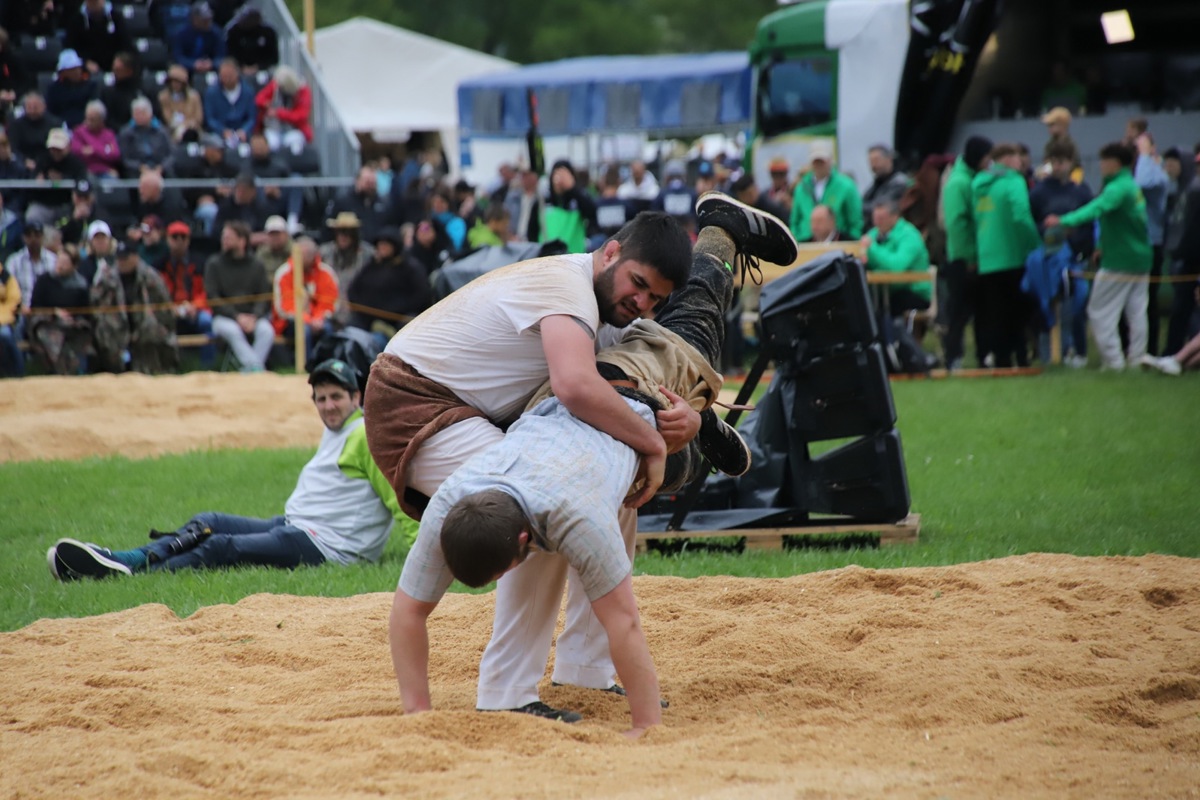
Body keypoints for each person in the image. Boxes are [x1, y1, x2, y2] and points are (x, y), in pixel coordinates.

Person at [369, 198, 794, 723]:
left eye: (653, 299)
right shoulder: (567, 285)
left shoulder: (608, 309)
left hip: (479, 406)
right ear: (610, 252)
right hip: (414, 404)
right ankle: (506, 692)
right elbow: (573, 387)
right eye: (636, 283)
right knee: (537, 496)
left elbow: (626, 384)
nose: (640, 301)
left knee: (609, 481)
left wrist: (683, 417)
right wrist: (656, 442)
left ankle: (587, 669)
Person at [48, 359, 413, 580]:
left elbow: (398, 497)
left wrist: (423, 551)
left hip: (326, 546)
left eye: (337, 396)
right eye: (321, 398)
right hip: (293, 525)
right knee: (211, 520)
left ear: (356, 397)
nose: (328, 405)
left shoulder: (364, 436)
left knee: (222, 546)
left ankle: (127, 577)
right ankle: (126, 561)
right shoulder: (337, 431)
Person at [1046, 142, 1152, 371]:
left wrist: (1063, 220)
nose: (1101, 166)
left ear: (1114, 163)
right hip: (1140, 257)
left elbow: (1097, 208)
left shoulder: (1117, 188)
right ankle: (1137, 360)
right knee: (1136, 311)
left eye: (1104, 161)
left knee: (1098, 310)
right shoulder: (1130, 186)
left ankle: (1113, 362)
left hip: (1120, 261)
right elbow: (1117, 220)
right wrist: (1102, 243)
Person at [972, 142, 1040, 368]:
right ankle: (1020, 358)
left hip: (987, 257)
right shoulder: (1014, 182)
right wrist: (1034, 244)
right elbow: (1020, 216)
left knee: (995, 313)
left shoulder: (979, 184)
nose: (1021, 162)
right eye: (1018, 158)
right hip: (1012, 255)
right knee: (1017, 313)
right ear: (1009, 159)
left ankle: (1000, 359)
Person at [1028, 140, 1094, 366]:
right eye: (1054, 161)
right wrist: (1047, 232)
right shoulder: (1039, 192)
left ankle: (1075, 351)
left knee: (1075, 307)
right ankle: (1050, 355)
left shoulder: (1082, 191)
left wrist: (1077, 241)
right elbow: (1031, 223)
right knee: (1048, 307)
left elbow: (1089, 223)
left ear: (1071, 163)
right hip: (1047, 259)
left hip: (1075, 258)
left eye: (1063, 162)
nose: (1058, 167)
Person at [90, 238, 177, 374]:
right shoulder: (107, 280)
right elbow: (97, 307)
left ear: (135, 257)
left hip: (145, 331)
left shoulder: (151, 278)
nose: (121, 262)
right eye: (119, 258)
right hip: (117, 331)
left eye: (125, 258)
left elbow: (164, 310)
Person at [205, 220, 274, 371]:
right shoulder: (214, 264)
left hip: (253, 317)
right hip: (224, 318)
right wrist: (237, 316)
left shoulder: (257, 265)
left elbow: (264, 297)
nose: (224, 240)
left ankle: (249, 371)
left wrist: (254, 317)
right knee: (232, 331)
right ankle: (256, 369)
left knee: (267, 331)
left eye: (229, 237)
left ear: (242, 241)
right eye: (223, 237)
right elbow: (213, 298)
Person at [346, 226, 430, 348]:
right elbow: (353, 290)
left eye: (386, 245)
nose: (382, 248)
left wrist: (396, 308)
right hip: (368, 318)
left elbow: (422, 296)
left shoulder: (410, 268)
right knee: (351, 330)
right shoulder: (371, 266)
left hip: (397, 319)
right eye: (380, 245)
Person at [159, 220, 215, 368]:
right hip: (168, 310)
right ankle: (166, 366)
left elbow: (206, 292)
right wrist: (169, 308)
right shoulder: (160, 265)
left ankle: (207, 367)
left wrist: (195, 306)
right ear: (167, 240)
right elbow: (157, 294)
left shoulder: (200, 263)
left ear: (189, 240)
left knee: (207, 322)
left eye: (183, 237)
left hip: (194, 309)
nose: (179, 241)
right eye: (174, 237)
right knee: (156, 324)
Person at [27, 248, 93, 375]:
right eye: (59, 261)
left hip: (71, 322)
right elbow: (35, 305)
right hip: (47, 321)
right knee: (51, 336)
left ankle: (77, 370)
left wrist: (73, 318)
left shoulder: (81, 285)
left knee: (81, 334)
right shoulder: (44, 280)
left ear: (74, 266)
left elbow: (85, 310)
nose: (60, 265)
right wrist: (53, 312)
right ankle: (59, 371)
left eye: (65, 262)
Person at [271, 235, 337, 360]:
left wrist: (318, 318)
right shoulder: (284, 273)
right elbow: (283, 308)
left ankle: (327, 365)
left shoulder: (326, 273)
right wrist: (307, 319)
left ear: (313, 257)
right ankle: (307, 367)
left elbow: (330, 303)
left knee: (328, 329)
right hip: (289, 322)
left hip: (319, 320)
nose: (300, 259)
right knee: (304, 330)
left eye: (305, 256)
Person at [860, 200, 931, 314]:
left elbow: (896, 266)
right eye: (875, 218)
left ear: (895, 217)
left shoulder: (909, 236)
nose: (877, 222)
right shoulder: (874, 233)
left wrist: (872, 248)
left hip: (913, 291)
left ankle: (888, 331)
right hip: (887, 290)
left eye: (881, 218)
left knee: (881, 305)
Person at [789, 142, 862, 243]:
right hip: (806, 244)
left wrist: (852, 242)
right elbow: (795, 221)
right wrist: (797, 241)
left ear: (830, 161)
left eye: (821, 161)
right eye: (815, 161)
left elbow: (855, 221)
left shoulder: (847, 186)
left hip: (838, 242)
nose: (818, 165)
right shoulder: (801, 188)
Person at [319, 211, 374, 324]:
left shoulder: (368, 254)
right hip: (327, 309)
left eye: (347, 233)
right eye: (340, 232)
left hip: (356, 312)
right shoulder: (324, 252)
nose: (343, 236)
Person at [254, 65, 311, 155]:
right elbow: (259, 99)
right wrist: (266, 104)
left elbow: (301, 115)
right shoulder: (276, 85)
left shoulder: (303, 91)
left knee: (294, 144)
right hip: (274, 128)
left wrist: (278, 113)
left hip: (294, 129)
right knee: (271, 142)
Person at [6, 221, 55, 322]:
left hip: (47, 311)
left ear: (42, 237)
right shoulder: (14, 261)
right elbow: (8, 289)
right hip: (20, 311)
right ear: (24, 238)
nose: (33, 239)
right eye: (29, 235)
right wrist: (20, 306)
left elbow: (57, 288)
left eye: (37, 235)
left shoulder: (53, 260)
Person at [64, 0, 131, 74]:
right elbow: (69, 49)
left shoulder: (116, 18)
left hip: (114, 67)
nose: (95, 3)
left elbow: (126, 45)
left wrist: (119, 61)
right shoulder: (76, 21)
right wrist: (84, 62)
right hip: (86, 71)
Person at [204, 57, 256, 146]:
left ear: (237, 74)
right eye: (224, 76)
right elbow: (210, 119)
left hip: (242, 133)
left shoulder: (248, 92)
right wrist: (222, 131)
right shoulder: (211, 92)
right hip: (219, 134)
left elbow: (252, 118)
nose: (227, 79)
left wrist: (244, 130)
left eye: (230, 76)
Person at [99, 51, 156, 130]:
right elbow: (107, 120)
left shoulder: (142, 90)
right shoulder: (108, 93)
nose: (114, 73)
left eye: (118, 70)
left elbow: (153, 115)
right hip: (118, 133)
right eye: (114, 70)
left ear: (129, 71)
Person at [44, 49, 99, 130]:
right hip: (61, 127)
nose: (77, 72)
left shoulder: (90, 86)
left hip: (87, 127)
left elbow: (95, 107)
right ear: (63, 72)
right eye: (72, 69)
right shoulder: (54, 89)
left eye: (78, 68)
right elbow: (50, 112)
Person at [118, 97, 173, 176]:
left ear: (150, 113)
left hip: (160, 170)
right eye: (137, 113)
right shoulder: (126, 133)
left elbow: (171, 155)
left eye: (142, 113)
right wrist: (140, 167)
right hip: (136, 171)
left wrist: (161, 167)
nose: (140, 116)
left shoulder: (161, 131)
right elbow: (124, 159)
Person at [8, 92, 62, 172]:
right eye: (29, 107)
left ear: (44, 106)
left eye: (35, 107)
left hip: (48, 163)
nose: (32, 110)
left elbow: (56, 147)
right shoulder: (16, 125)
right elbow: (13, 147)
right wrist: (25, 160)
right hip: (22, 163)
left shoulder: (54, 124)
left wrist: (40, 164)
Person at [860, 145, 909, 229]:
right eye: (871, 162)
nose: (873, 166)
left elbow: (881, 207)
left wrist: (856, 207)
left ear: (889, 159)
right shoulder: (876, 183)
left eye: (876, 160)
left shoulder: (899, 182)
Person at [70, 100, 120, 177]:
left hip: (105, 171)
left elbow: (114, 155)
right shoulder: (79, 132)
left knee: (113, 181)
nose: (88, 122)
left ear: (101, 120)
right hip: (85, 171)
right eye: (87, 118)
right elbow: (76, 151)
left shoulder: (109, 134)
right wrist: (103, 150)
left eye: (92, 120)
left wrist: (94, 150)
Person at [173, 1, 224, 75]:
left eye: (209, 19)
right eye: (204, 20)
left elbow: (221, 57)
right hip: (186, 70)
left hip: (210, 71)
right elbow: (178, 57)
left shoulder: (216, 33)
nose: (208, 22)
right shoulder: (181, 33)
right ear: (195, 19)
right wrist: (193, 64)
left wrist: (211, 64)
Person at [157, 64, 204, 143]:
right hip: (172, 132)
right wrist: (179, 127)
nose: (175, 84)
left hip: (193, 130)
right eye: (173, 81)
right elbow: (168, 118)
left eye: (178, 82)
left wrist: (187, 125)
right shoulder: (163, 97)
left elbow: (198, 118)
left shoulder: (194, 96)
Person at [224, 5, 279, 74]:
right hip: (239, 69)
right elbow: (230, 54)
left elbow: (273, 58)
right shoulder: (234, 31)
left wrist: (258, 67)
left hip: (263, 69)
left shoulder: (268, 32)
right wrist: (241, 67)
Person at [0, 257, 23, 377]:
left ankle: (17, 375)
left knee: (5, 336)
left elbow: (14, 298)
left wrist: (5, 315)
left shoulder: (4, 275)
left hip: (3, 320)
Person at [256, 214, 293, 280]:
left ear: (286, 234)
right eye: (272, 234)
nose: (275, 237)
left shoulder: (295, 251)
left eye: (277, 234)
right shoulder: (262, 253)